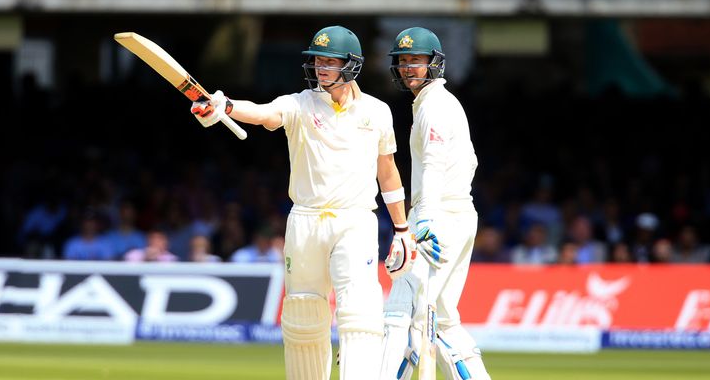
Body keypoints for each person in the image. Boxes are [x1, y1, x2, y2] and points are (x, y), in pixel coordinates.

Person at [190, 25, 409, 380]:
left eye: (329, 61)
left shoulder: (377, 111)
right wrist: (225, 106)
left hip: (355, 221)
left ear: (351, 65)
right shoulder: (300, 104)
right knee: (303, 313)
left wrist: (402, 229)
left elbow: (388, 170)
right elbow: (263, 114)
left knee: (361, 312)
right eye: (317, 60)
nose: (320, 68)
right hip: (305, 221)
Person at [379, 27, 491, 380]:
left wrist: (424, 220)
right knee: (442, 319)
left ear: (434, 64)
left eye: (416, 61)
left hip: (438, 218)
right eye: (403, 61)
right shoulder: (438, 103)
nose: (409, 68)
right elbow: (470, 160)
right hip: (458, 215)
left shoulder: (435, 107)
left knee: (402, 312)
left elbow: (433, 165)